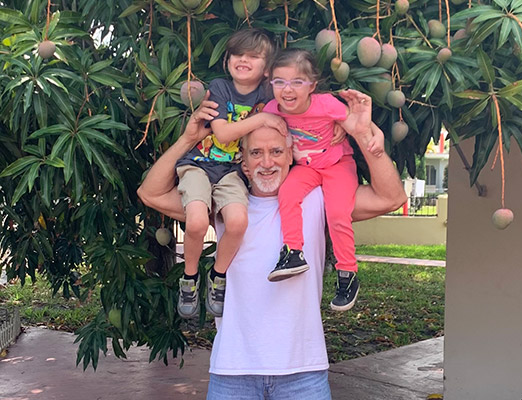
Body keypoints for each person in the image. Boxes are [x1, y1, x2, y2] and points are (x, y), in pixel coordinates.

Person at [137, 89, 406, 399]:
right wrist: (186, 140)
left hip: (303, 372)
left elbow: (391, 198)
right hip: (232, 371)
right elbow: (151, 193)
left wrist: (364, 139)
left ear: (291, 156)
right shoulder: (224, 205)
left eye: (277, 151)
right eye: (256, 153)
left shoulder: (317, 199)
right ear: (244, 162)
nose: (267, 162)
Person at [174, 28, 286, 318]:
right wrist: (261, 117)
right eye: (238, 54)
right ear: (227, 60)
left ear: (266, 69)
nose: (244, 60)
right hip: (199, 163)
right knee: (197, 222)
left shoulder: (268, 93)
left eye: (253, 56)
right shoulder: (221, 87)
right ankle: (190, 278)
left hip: (232, 172)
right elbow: (222, 134)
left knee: (237, 223)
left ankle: (218, 275)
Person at [263, 49, 385, 312]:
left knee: (338, 213)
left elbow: (359, 124)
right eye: (279, 82)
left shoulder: (327, 104)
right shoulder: (271, 110)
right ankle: (293, 253)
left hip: (337, 165)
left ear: (312, 86)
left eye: (297, 82)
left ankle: (347, 274)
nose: (287, 89)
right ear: (271, 83)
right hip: (306, 168)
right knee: (287, 195)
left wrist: (379, 136)